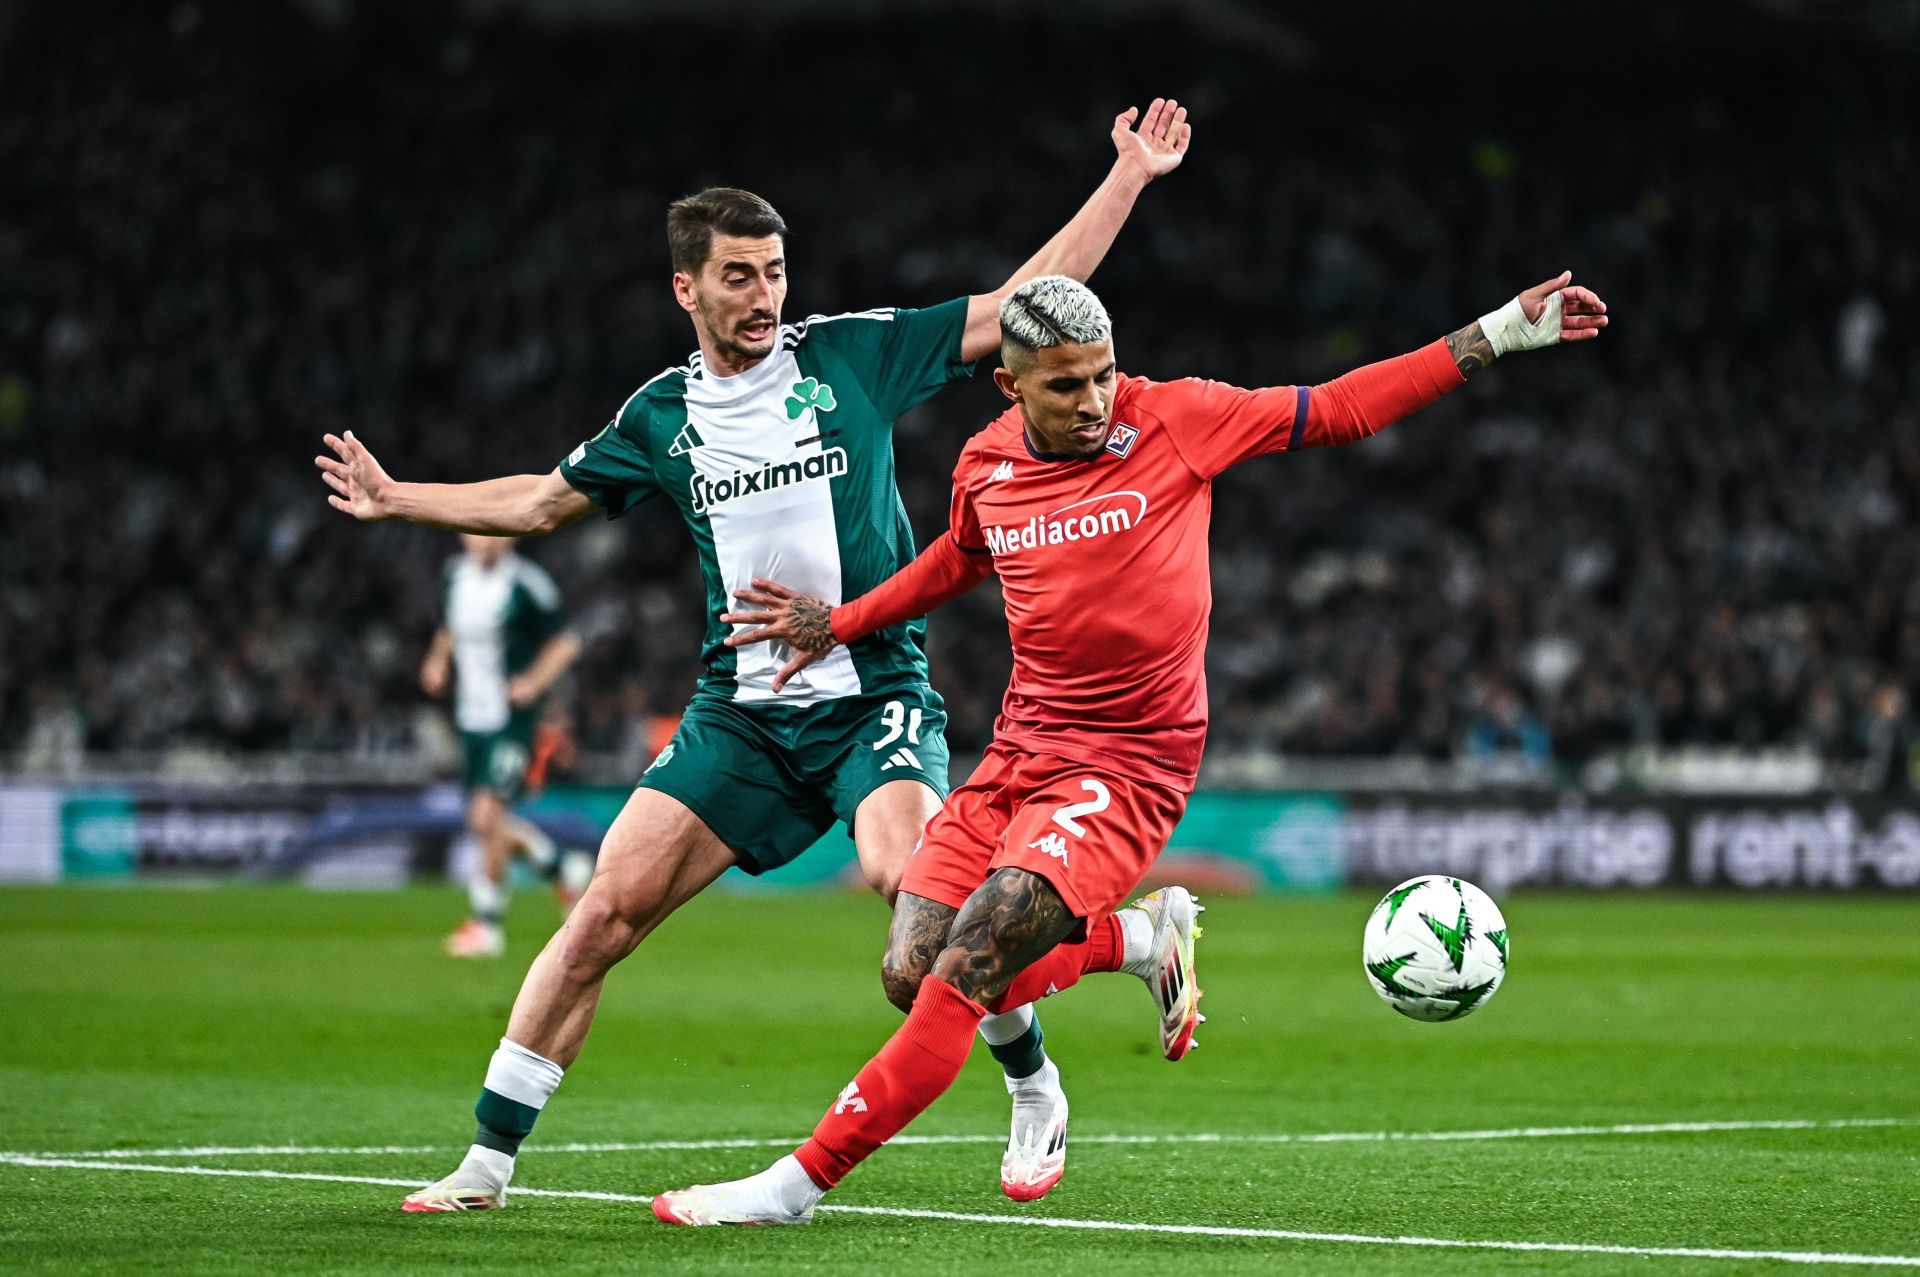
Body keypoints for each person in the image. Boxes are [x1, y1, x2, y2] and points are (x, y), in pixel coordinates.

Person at [313, 100, 1194, 1212]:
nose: (764, 294)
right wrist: (400, 500)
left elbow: (1022, 304)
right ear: (687, 287)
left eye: (773, 271)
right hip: (740, 714)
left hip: (873, 691)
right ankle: (486, 1164)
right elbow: (539, 503)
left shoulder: (852, 353)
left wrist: (1128, 175)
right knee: (600, 916)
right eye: (738, 275)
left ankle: (1035, 1078)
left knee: (911, 898)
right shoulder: (662, 415)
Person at [651, 267, 1609, 1225]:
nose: (1094, 401)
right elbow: (957, 557)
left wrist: (1499, 333)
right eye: (1065, 384)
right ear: (1010, 384)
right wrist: (847, 621)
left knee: (974, 957)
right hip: (1024, 749)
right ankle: (1141, 939)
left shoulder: (1179, 418)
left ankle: (792, 1187)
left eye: (1104, 375)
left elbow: (1345, 408)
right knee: (914, 969)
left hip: (1130, 761)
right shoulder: (987, 465)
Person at [420, 533, 585, 958]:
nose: (484, 541)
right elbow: (449, 627)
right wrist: (438, 659)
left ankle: (486, 925)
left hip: (512, 719)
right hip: (471, 717)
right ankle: (563, 868)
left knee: (487, 815)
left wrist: (533, 683)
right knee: (484, 824)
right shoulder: (454, 576)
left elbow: (566, 642)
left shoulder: (528, 584)